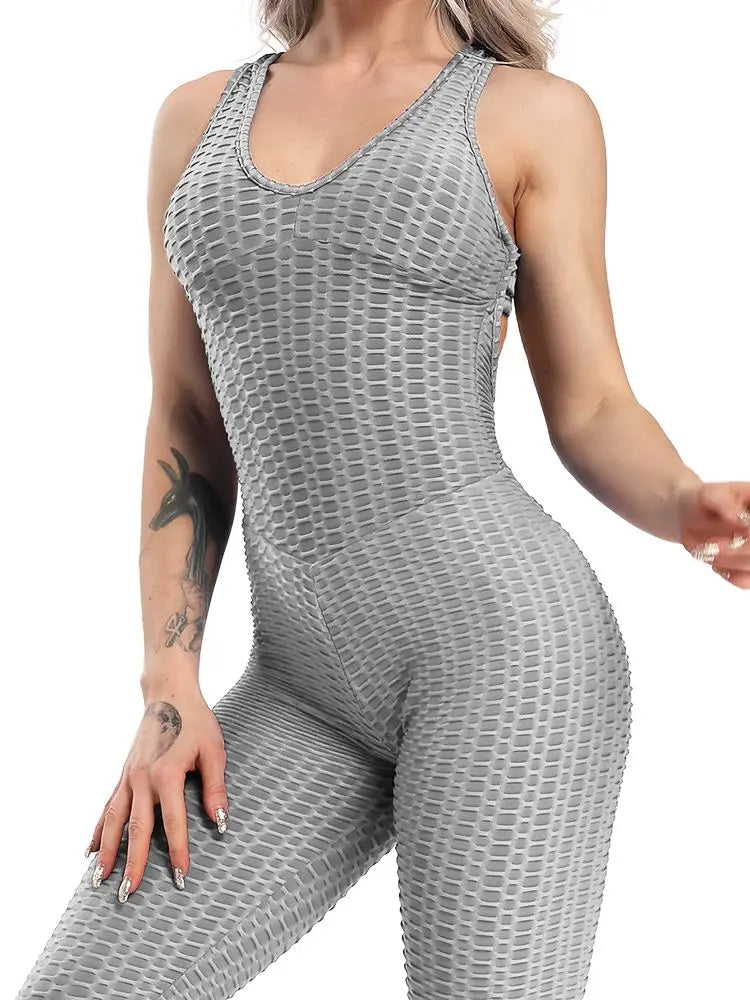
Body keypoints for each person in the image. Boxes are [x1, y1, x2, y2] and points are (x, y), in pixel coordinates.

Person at [16, 1, 750, 998]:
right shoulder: (195, 118)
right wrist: (168, 680)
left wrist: (683, 500)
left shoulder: (531, 114)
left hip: (505, 654)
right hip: (297, 681)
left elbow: (592, 406)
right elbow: (187, 413)